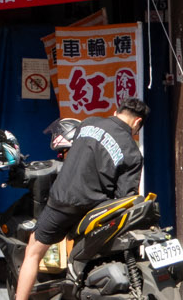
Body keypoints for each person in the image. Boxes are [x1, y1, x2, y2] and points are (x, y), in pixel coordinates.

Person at [13, 98, 148, 300]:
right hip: (93, 210)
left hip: (61, 201)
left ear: (115, 112)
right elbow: (125, 198)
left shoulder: (89, 122)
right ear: (137, 123)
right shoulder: (132, 152)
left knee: (33, 251)